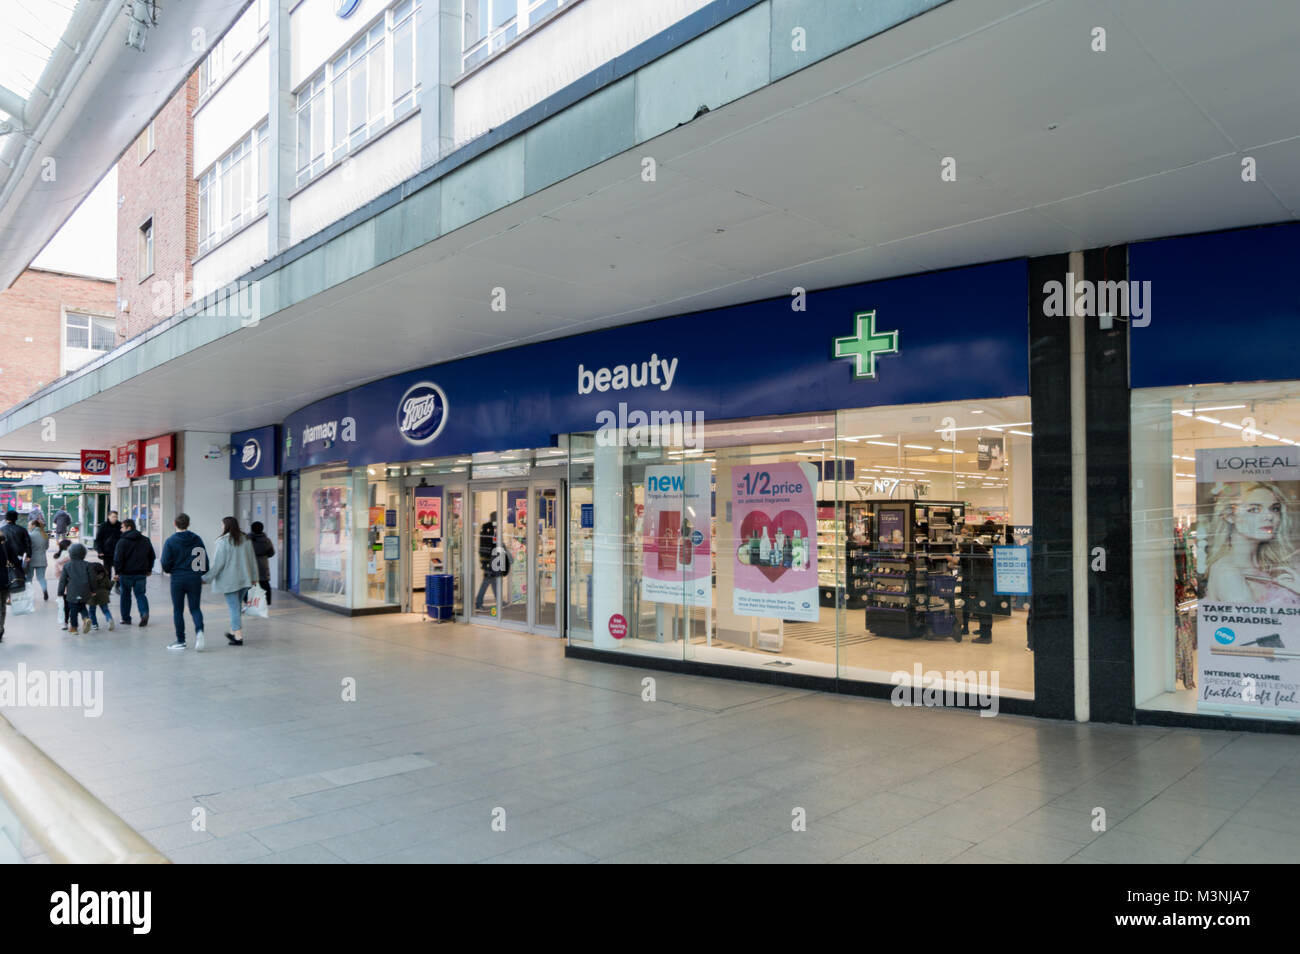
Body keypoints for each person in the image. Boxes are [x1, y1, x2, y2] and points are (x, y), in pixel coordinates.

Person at [1205, 481, 1300, 604]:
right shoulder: (1228, 572)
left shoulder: (1271, 565)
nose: (1269, 516)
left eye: (1274, 509)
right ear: (1230, 516)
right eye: (1254, 509)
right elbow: (1249, 622)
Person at [202, 516, 257, 646]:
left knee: (234, 608)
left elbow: (218, 564)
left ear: (226, 526)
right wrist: (254, 577)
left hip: (230, 581)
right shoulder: (246, 540)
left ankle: (238, 637)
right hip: (245, 579)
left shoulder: (223, 542)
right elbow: (252, 560)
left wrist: (206, 578)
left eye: (222, 525)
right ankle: (233, 632)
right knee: (236, 607)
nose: (221, 527)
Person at [161, 513, 207, 653]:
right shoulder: (197, 539)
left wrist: (170, 570)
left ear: (175, 523)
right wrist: (200, 573)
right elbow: (204, 561)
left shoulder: (170, 541)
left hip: (178, 579)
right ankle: (199, 632)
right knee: (195, 608)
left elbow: (165, 563)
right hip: (194, 578)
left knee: (178, 610)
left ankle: (181, 641)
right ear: (189, 524)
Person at [113, 518, 156, 626]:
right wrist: (149, 569)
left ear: (129, 527)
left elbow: (118, 558)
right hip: (141, 573)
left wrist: (117, 572)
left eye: (122, 527)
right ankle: (144, 613)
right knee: (140, 594)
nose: (121, 529)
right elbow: (152, 556)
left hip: (126, 574)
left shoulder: (122, 541)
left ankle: (126, 619)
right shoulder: (145, 540)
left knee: (125, 596)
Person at [57, 543, 95, 634]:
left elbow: (63, 581)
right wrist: (93, 590)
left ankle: (74, 628)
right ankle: (86, 618)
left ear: (70, 553)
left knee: (73, 609)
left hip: (72, 591)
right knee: (82, 605)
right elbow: (92, 579)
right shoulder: (88, 565)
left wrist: (60, 592)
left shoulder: (67, 565)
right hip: (85, 591)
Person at [474, 511, 502, 612]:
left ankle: (499, 601)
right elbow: (495, 544)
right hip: (491, 559)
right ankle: (478, 603)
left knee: (492, 580)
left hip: (485, 558)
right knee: (487, 580)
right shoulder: (493, 529)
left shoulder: (485, 527)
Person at [0, 525, 22, 642]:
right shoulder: (6, 547)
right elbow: (17, 563)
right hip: (4, 580)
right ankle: (0, 629)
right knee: (2, 606)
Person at [247, 521, 275, 606]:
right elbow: (271, 553)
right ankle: (266, 601)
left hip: (250, 565)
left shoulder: (247, 540)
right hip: (263, 565)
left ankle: (251, 602)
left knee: (250, 584)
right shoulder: (267, 540)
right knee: (264, 583)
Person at [1, 510, 32, 587]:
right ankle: (19, 589)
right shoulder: (22, 529)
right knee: (19, 574)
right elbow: (28, 543)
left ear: (6, 518)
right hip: (19, 557)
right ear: (16, 518)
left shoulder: (1, 530)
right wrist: (28, 555)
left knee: (6, 576)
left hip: (4, 557)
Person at [87, 559, 115, 632]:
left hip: (92, 595)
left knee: (92, 611)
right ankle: (109, 619)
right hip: (103, 595)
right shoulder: (104, 576)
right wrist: (114, 580)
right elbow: (109, 586)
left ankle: (94, 625)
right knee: (105, 610)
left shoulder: (90, 577)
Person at [93, 510, 122, 581]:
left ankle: (118, 586)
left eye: (116, 517)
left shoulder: (120, 525)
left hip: (118, 552)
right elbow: (98, 539)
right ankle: (107, 586)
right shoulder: (103, 526)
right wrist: (99, 551)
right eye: (113, 517)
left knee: (118, 570)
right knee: (107, 571)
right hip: (106, 552)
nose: (115, 518)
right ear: (108, 517)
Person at [26, 518, 50, 601]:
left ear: (33, 525)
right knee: (41, 578)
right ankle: (45, 591)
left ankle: (29, 595)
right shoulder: (45, 535)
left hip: (31, 560)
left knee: (29, 578)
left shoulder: (30, 535)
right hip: (42, 559)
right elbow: (46, 547)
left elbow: (27, 548)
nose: (28, 527)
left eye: (29, 525)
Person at [50, 540, 72, 629]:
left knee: (64, 605)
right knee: (75, 603)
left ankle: (64, 622)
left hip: (63, 584)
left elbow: (56, 574)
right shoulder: (73, 556)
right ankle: (74, 622)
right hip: (74, 583)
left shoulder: (58, 558)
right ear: (67, 547)